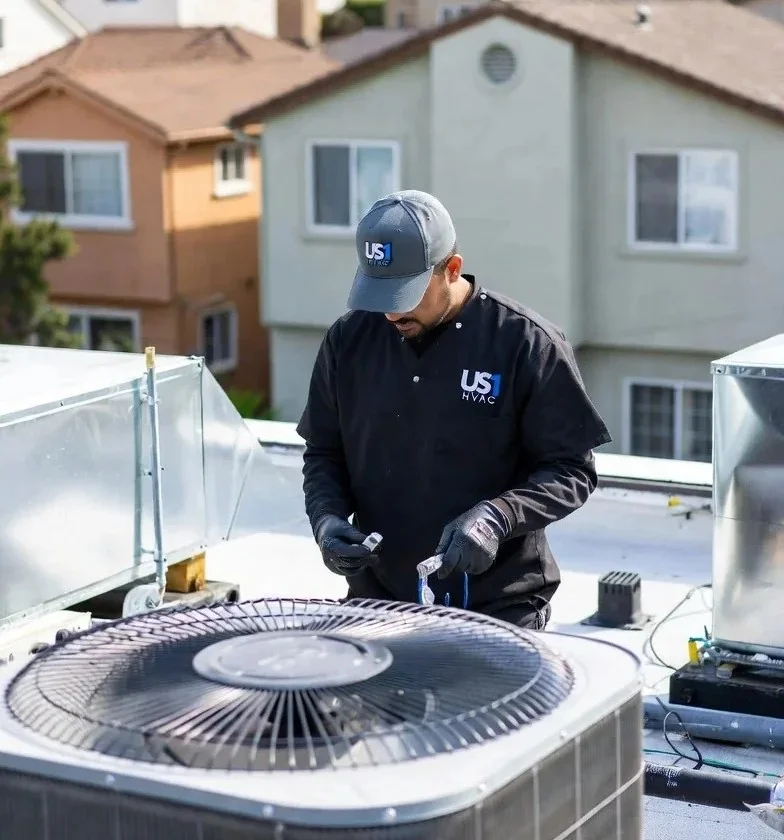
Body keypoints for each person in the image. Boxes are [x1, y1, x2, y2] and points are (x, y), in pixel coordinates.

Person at [296, 189, 611, 629]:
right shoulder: (348, 341)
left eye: (405, 295)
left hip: (500, 607)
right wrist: (326, 521)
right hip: (379, 601)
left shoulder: (524, 344)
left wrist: (498, 518)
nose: (390, 315)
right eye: (380, 295)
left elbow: (572, 470)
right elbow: (324, 452)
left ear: (452, 270)